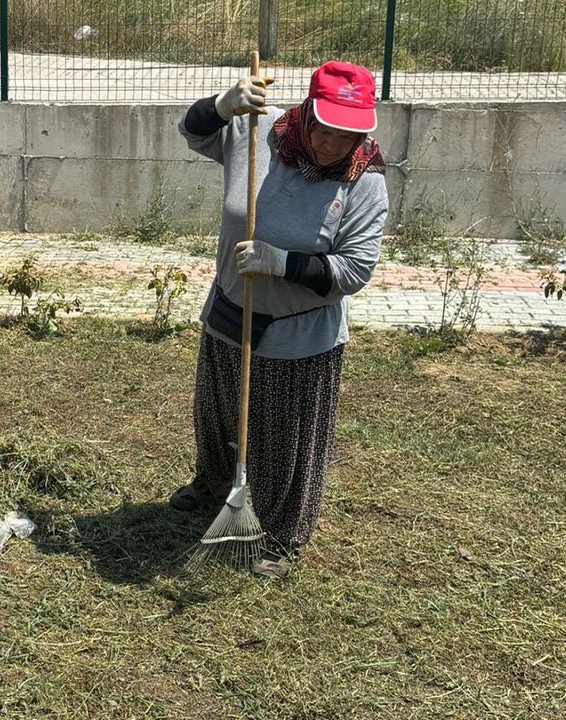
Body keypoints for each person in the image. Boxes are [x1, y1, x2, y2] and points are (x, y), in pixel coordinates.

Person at [170, 61, 389, 580]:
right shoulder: (258, 132)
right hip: (230, 303)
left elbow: (354, 270)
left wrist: (281, 262)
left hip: (300, 328)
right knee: (220, 409)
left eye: (351, 132)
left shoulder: (365, 184)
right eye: (328, 126)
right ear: (308, 111)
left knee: (287, 434)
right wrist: (225, 105)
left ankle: (285, 531)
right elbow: (191, 132)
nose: (336, 143)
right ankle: (215, 483)